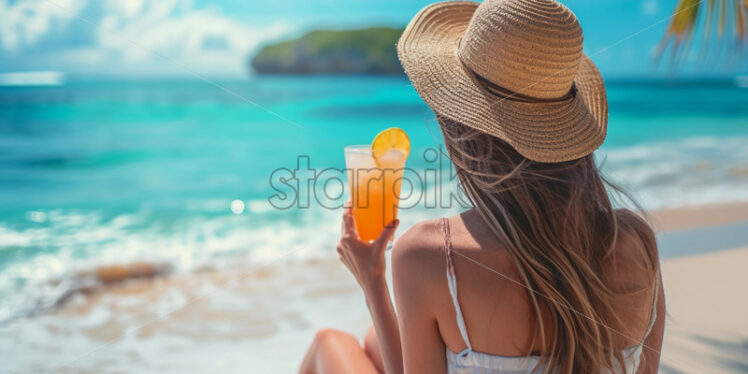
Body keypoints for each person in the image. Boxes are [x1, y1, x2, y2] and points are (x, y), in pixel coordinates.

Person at [299, 0, 664, 373]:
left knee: (330, 343)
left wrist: (372, 282)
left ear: (461, 124)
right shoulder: (637, 243)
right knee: (375, 340)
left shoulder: (431, 255)